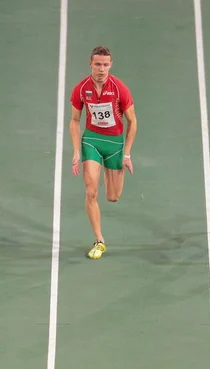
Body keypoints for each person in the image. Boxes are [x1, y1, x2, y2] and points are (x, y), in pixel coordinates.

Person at [69, 46, 138, 259]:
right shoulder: (81, 89)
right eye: (97, 64)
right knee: (91, 191)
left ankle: (114, 169)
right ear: (90, 64)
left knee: (113, 197)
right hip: (92, 141)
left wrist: (126, 154)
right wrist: (76, 152)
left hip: (115, 144)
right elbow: (74, 120)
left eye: (105, 64)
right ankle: (99, 240)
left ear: (110, 65)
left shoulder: (119, 89)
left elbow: (132, 121)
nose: (101, 69)